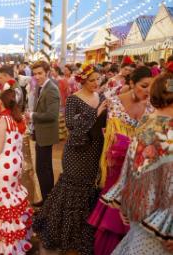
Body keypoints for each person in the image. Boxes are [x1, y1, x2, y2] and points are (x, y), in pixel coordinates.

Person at [33, 64, 108, 255]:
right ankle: (64, 232)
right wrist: (96, 112)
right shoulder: (74, 100)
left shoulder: (102, 97)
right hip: (76, 151)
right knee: (72, 187)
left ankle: (82, 231)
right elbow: (71, 125)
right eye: (92, 80)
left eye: (98, 80)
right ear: (83, 80)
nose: (95, 83)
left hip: (95, 150)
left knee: (89, 187)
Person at [102, 64, 173, 254]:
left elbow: (131, 170)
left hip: (141, 214)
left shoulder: (148, 123)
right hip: (160, 226)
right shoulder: (167, 129)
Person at [88, 66, 154, 255]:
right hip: (115, 169)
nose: (148, 91)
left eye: (151, 87)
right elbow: (96, 134)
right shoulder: (113, 103)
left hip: (140, 171)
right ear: (131, 83)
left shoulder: (153, 107)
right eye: (143, 86)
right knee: (113, 218)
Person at [0, 89, 33, 255]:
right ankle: (15, 240)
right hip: (15, 165)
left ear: (1, 102)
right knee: (12, 199)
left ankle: (5, 244)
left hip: (3, 167)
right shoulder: (16, 118)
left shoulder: (1, 120)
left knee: (2, 202)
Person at [25, 60, 60, 205]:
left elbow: (52, 115)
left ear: (47, 73)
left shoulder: (51, 88)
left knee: (44, 169)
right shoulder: (43, 87)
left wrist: (32, 115)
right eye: (35, 74)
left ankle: (48, 201)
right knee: (43, 168)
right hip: (42, 133)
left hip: (46, 135)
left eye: (40, 73)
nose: (37, 76)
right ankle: (47, 200)